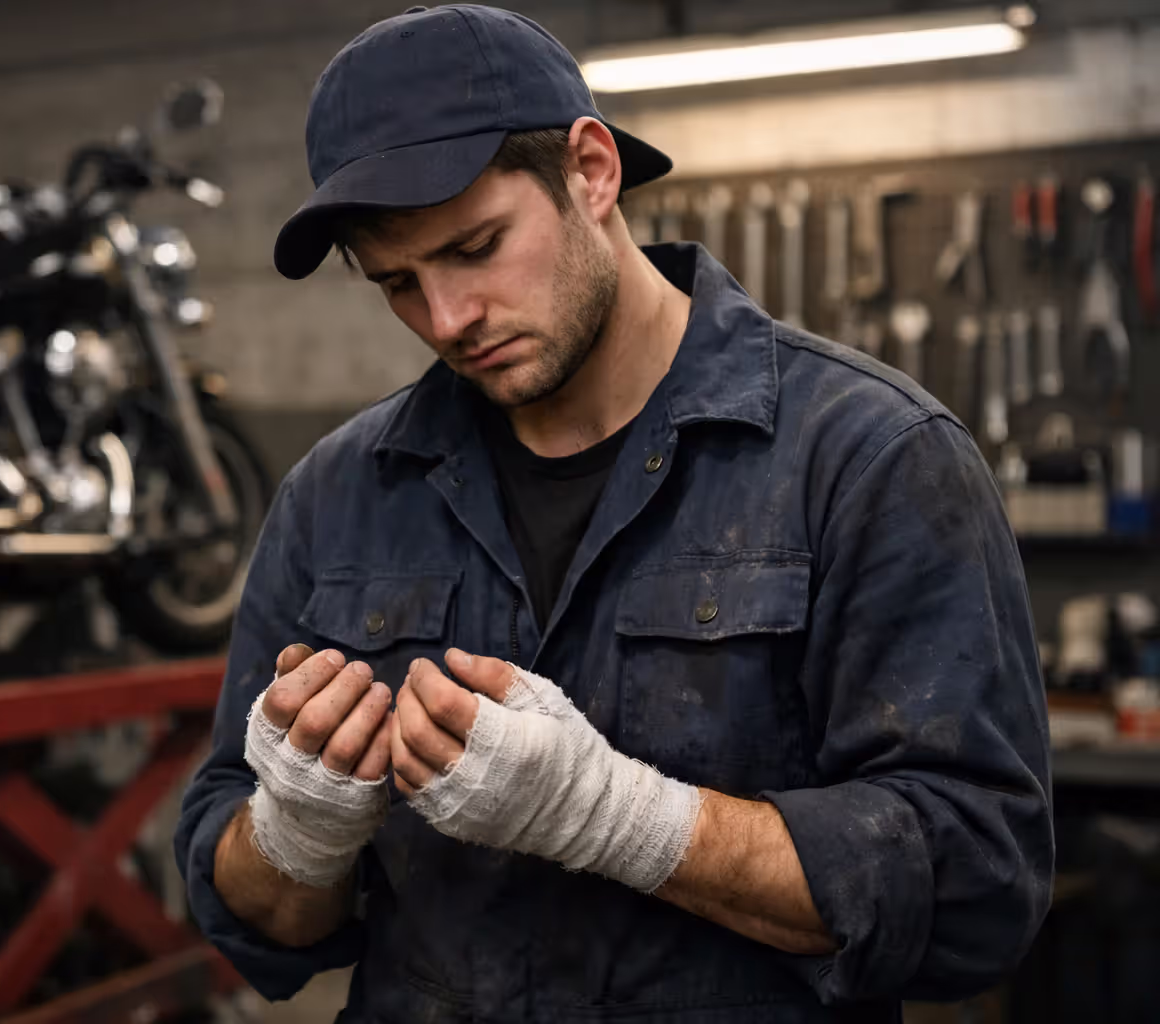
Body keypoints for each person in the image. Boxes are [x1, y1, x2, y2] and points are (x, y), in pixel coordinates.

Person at [175, 5, 1053, 1021]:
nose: (447, 319)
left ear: (593, 170)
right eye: (399, 284)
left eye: (477, 247)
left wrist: (622, 818)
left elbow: (977, 889)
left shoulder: (867, 458)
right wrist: (296, 834)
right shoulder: (336, 497)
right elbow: (249, 910)